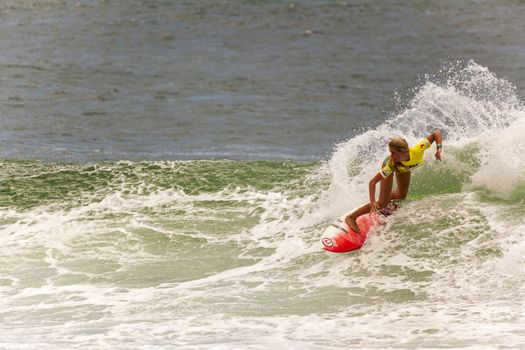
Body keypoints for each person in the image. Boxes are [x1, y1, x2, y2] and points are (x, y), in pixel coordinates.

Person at [344, 129, 443, 233]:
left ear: (403, 152)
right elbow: (372, 182)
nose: (391, 156)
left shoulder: (417, 150)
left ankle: (386, 199)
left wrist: (439, 150)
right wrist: (373, 202)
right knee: (381, 204)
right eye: (390, 152)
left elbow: (436, 133)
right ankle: (351, 218)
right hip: (396, 166)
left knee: (401, 195)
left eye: (393, 153)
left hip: (404, 167)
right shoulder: (391, 164)